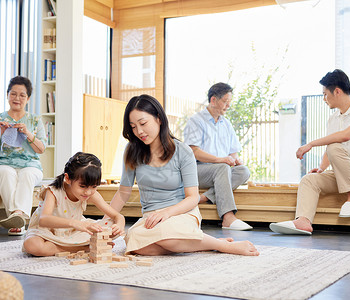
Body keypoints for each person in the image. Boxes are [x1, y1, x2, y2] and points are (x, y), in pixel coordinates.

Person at [107, 94, 259, 256]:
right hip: (151, 218)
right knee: (134, 243)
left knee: (166, 236)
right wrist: (105, 220)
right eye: (133, 126)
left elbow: (192, 197)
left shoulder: (183, 151)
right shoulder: (131, 151)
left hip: (181, 213)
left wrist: (166, 213)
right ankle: (198, 243)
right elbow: (123, 193)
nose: (139, 131)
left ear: (159, 118)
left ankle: (223, 246)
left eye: (143, 123)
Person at [270, 69, 350, 235]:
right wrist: (322, 169)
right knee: (310, 180)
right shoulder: (333, 118)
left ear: (337, 91)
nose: (324, 98)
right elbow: (331, 148)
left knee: (335, 145)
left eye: (325, 94)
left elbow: (344, 137)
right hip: (346, 173)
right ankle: (303, 221)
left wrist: (310, 144)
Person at [23, 152, 125, 256]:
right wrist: (76, 223)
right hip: (48, 232)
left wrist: (119, 225)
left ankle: (65, 246)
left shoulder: (91, 194)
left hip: (73, 232)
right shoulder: (53, 191)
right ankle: (84, 247)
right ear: (67, 178)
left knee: (112, 228)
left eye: (94, 186)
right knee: (32, 245)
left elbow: (117, 216)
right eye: (83, 186)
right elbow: (44, 220)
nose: (88, 192)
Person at [183, 82, 252, 231]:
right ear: (213, 100)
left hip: (221, 171)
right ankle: (228, 217)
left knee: (244, 171)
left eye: (229, 102)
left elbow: (233, 151)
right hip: (198, 170)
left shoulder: (226, 124)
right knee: (222, 168)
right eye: (225, 102)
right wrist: (220, 160)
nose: (228, 106)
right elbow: (193, 151)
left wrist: (235, 160)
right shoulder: (196, 121)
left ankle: (204, 197)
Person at [0, 76, 47, 236]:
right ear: (7, 95)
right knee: (6, 173)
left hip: (31, 165)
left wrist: (27, 133)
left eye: (22, 95)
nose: (17, 98)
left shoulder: (35, 120)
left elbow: (41, 149)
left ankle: (15, 217)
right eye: (13, 94)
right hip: (4, 163)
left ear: (28, 98)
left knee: (27, 174)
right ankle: (18, 217)